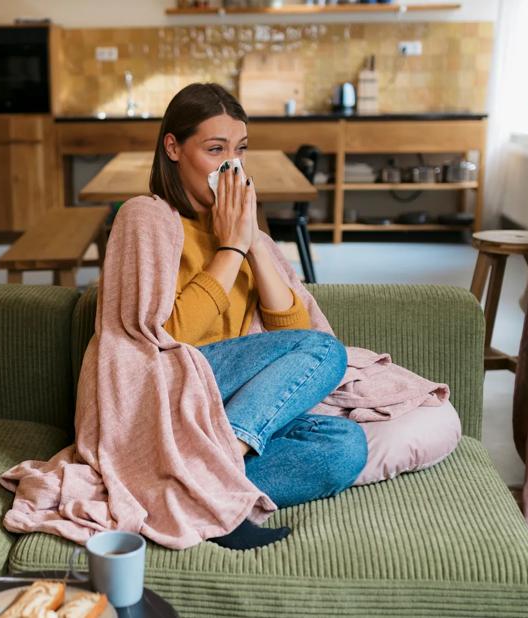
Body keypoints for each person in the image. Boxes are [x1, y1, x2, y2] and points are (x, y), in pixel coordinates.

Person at [146, 83, 368, 550]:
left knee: (345, 446)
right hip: (175, 389)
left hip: (227, 409)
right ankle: (214, 480)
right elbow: (168, 338)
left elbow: (291, 339)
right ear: (173, 148)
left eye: (240, 151)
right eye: (214, 150)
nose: (231, 166)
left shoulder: (238, 232)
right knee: (326, 350)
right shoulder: (152, 220)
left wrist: (252, 241)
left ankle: (191, 486)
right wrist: (229, 249)